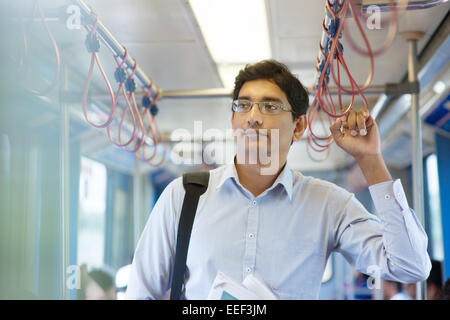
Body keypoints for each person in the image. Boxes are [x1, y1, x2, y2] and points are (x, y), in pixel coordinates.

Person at [125, 60, 431, 300]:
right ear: (233, 121)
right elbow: (141, 293)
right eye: (243, 105)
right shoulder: (185, 196)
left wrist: (370, 160)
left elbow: (410, 265)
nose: (253, 116)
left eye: (270, 106)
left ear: (299, 127)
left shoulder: (327, 204)